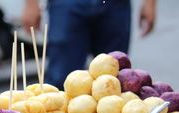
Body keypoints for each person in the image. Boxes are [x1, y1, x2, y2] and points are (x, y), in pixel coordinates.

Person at [22, 0, 157, 90]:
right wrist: (31, 4)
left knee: (114, 79)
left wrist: (150, 3)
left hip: (115, 5)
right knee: (62, 82)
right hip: (67, 5)